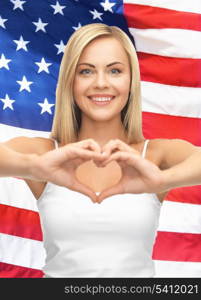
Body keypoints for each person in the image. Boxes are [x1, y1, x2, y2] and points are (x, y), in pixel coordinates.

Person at [1, 23, 201, 277]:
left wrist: (163, 179)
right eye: (86, 71)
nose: (101, 83)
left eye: (115, 71)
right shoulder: (46, 153)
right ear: (70, 80)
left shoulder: (155, 155)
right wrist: (30, 167)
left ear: (131, 81)